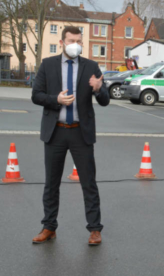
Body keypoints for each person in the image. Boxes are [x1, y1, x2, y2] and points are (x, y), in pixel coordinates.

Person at [31, 26, 110, 246]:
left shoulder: (91, 66)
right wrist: (55, 100)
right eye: (71, 40)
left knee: (88, 183)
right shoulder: (48, 65)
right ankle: (49, 227)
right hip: (55, 132)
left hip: (80, 133)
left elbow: (105, 101)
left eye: (78, 40)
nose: (75, 44)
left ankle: (94, 229)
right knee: (51, 183)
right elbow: (36, 95)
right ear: (62, 41)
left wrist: (98, 88)